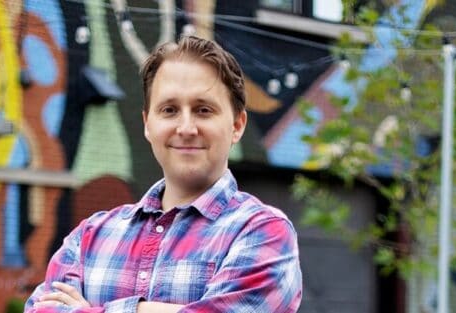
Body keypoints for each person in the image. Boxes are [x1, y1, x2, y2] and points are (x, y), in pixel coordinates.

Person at [24, 36, 302, 313]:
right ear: (148, 124)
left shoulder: (262, 231)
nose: (186, 128)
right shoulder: (90, 236)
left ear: (237, 125)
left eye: (203, 110)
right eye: (169, 110)